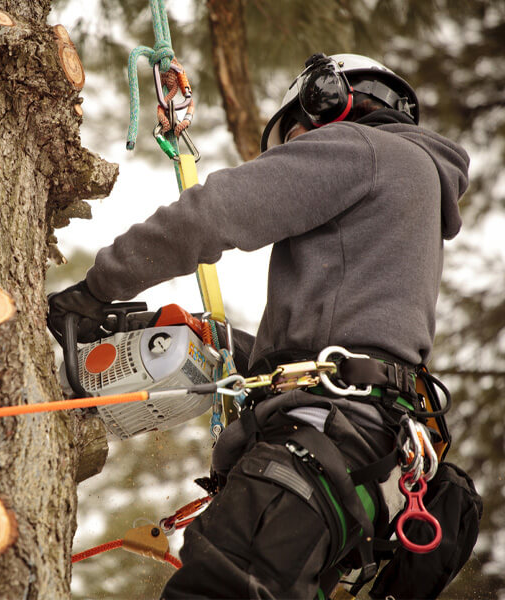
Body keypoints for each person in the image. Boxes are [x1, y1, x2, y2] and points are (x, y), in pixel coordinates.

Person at [49, 53, 472, 598]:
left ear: (329, 102)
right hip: (364, 459)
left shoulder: (362, 147)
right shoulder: (413, 188)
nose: (296, 153)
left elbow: (214, 214)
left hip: (317, 445)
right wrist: (220, 344)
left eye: (296, 137)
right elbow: (347, 348)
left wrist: (94, 290)